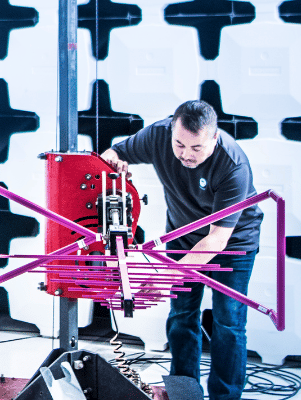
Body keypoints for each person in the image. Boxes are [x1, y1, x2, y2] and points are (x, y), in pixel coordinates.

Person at [100, 100, 262, 400]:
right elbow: (114, 152)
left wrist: (164, 277)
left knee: (228, 322)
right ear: (171, 132)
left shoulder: (233, 166)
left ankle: (225, 397)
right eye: (179, 145)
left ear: (214, 138)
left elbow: (216, 240)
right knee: (182, 316)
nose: (186, 154)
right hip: (183, 236)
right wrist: (113, 163)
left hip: (233, 243)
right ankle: (184, 393)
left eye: (196, 148)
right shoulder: (158, 135)